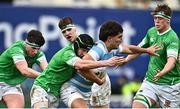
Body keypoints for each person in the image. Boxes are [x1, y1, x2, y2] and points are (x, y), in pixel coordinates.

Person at [61, 20, 160, 108]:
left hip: (87, 91)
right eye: (119, 37)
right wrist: (99, 81)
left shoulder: (112, 48)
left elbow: (129, 49)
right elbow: (81, 68)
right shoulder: (98, 50)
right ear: (109, 39)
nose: (121, 40)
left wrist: (146, 50)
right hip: (72, 89)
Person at [30, 17, 124, 108]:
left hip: (55, 92)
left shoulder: (86, 43)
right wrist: (107, 63)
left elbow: (117, 48)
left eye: (69, 30)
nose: (67, 33)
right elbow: (81, 65)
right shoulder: (68, 52)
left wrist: (128, 57)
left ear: (75, 29)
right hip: (43, 87)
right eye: (64, 32)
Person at [125, 4, 180, 108]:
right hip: (150, 82)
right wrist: (126, 60)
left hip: (170, 86)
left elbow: (171, 61)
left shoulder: (172, 38)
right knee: (137, 106)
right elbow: (139, 49)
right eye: (155, 18)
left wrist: (162, 72)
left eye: (160, 18)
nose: (157, 21)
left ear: (168, 20)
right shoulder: (151, 32)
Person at [0, 30, 48, 108]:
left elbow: (47, 71)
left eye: (38, 49)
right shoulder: (17, 49)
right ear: (26, 43)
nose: (35, 52)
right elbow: (24, 71)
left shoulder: (39, 55)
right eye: (33, 48)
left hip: (12, 86)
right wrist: (45, 76)